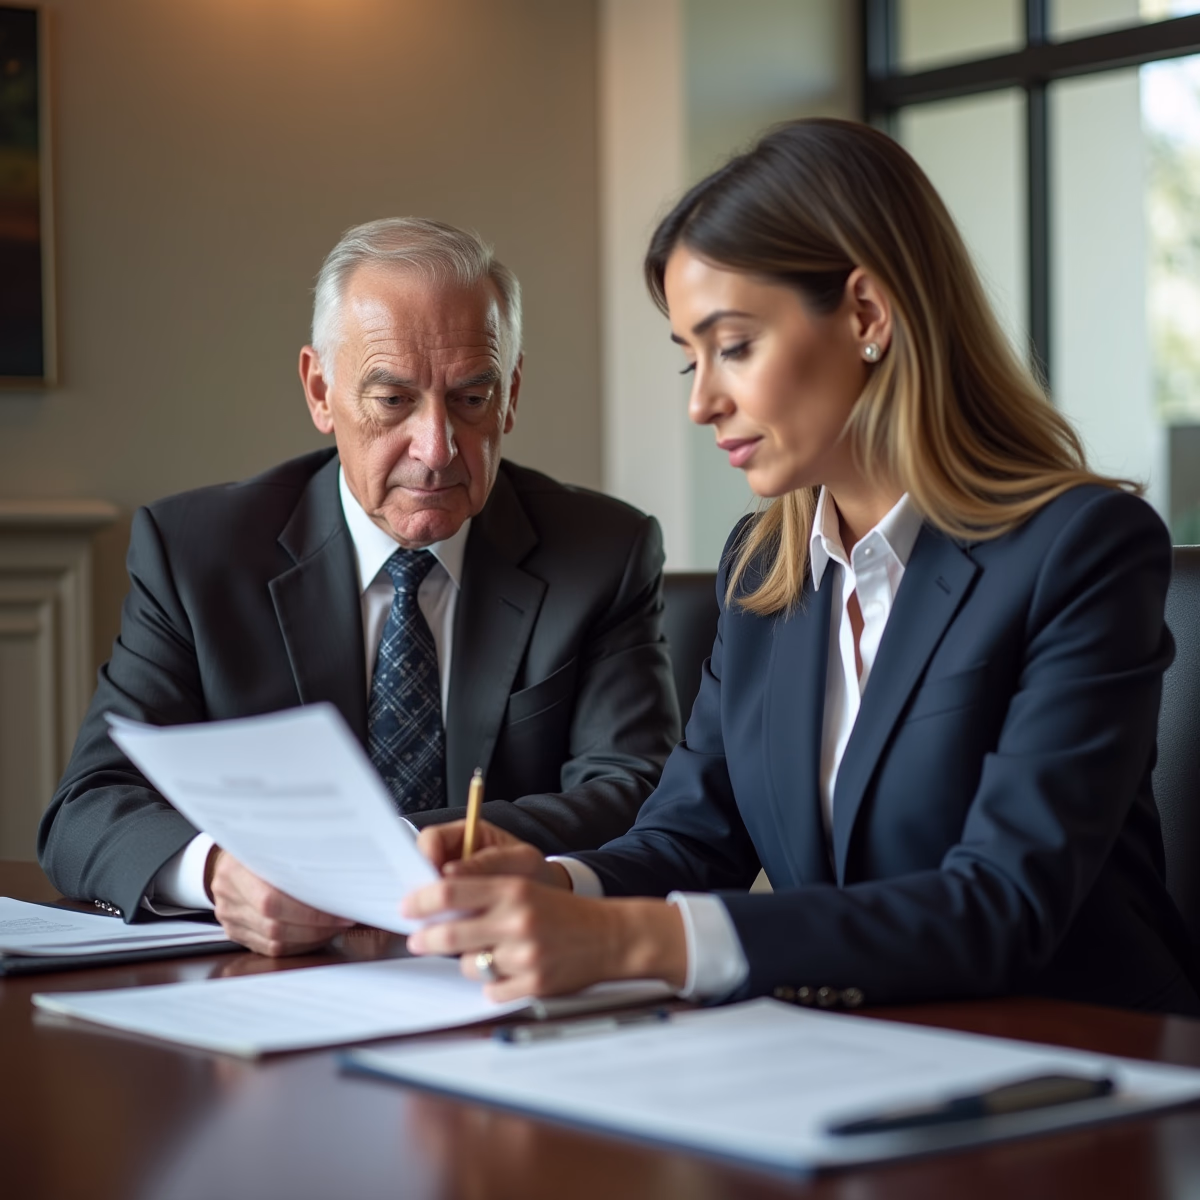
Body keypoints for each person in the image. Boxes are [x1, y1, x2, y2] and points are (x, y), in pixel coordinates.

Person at [403, 120, 1200, 1016]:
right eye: (690, 359)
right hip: (855, 1062)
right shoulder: (764, 570)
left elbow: (1003, 906)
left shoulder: (1084, 548)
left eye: (734, 346)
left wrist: (637, 941)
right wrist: (557, 884)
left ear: (866, 315)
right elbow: (689, 840)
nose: (703, 401)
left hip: (1086, 1073)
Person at [38, 218, 681, 955]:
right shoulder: (197, 555)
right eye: (393, 400)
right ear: (321, 389)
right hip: (267, 992)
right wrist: (220, 873)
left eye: (471, 399)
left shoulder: (602, 553)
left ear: (511, 395)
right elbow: (86, 809)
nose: (436, 449)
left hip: (495, 975)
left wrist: (402, 848)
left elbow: (640, 792)